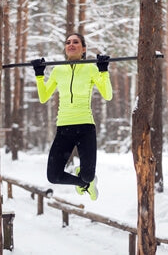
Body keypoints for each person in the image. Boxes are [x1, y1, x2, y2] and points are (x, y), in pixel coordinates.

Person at [31, 33, 112, 200]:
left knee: (88, 175)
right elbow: (44, 97)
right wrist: (39, 75)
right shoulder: (58, 70)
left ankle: (87, 180)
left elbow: (107, 95)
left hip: (85, 127)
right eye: (68, 42)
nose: (71, 44)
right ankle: (83, 184)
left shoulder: (90, 68)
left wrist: (103, 70)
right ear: (65, 48)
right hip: (64, 128)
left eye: (76, 42)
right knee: (53, 176)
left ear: (83, 49)